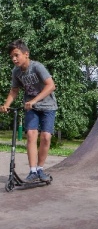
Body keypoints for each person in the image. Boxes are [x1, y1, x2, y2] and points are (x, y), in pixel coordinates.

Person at [0, 39, 58, 183]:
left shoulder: (37, 67)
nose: (14, 59)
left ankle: (40, 169)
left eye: (16, 55)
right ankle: (32, 171)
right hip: (31, 107)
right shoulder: (16, 72)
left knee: (45, 137)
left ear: (26, 54)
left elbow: (51, 86)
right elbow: (14, 90)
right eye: (12, 57)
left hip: (48, 107)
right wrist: (6, 104)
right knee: (31, 135)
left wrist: (34, 100)